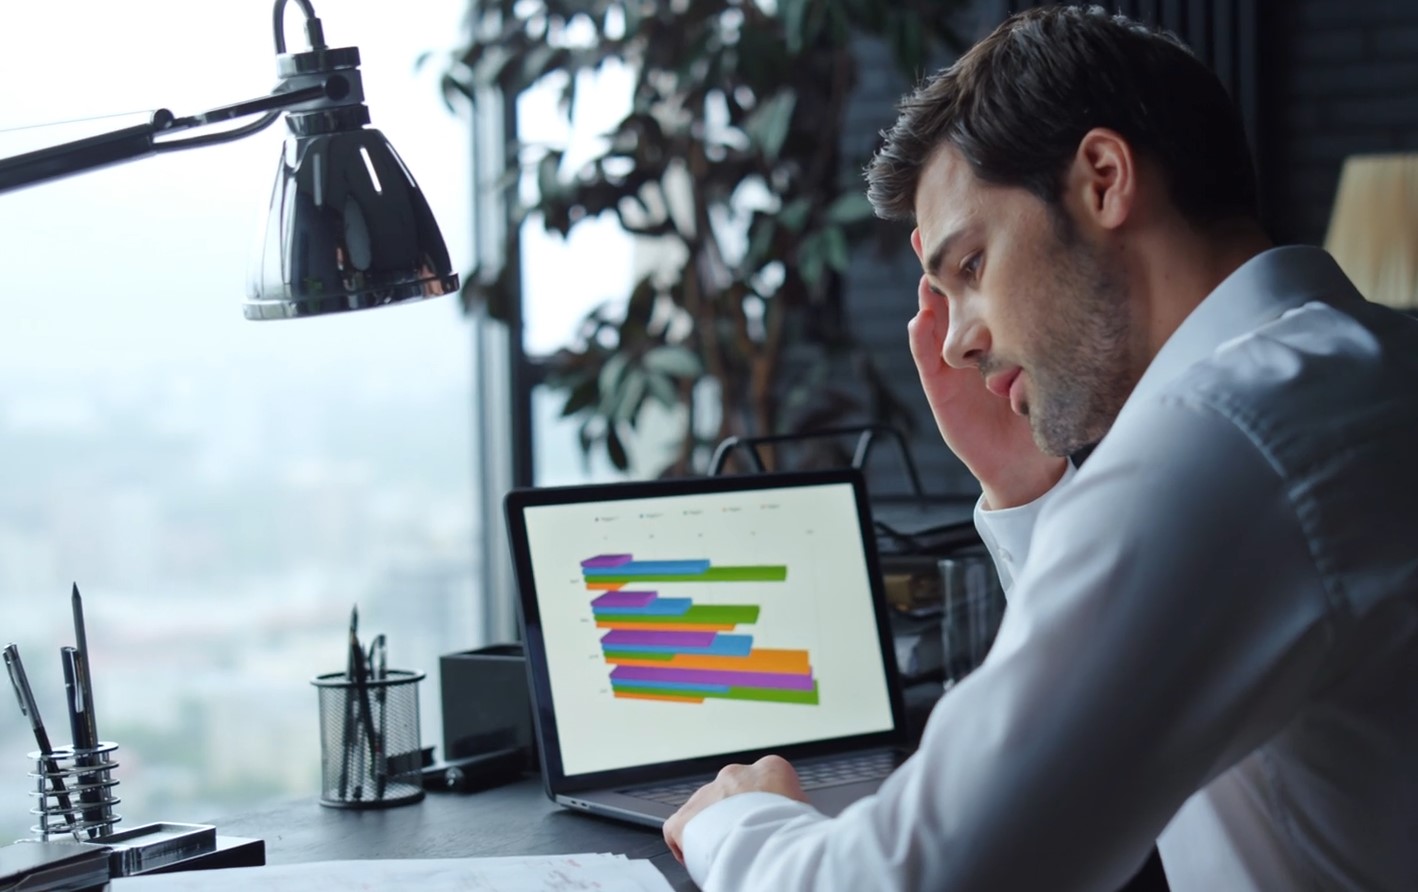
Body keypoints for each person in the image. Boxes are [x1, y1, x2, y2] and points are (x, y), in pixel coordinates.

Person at [661, 6, 1418, 891]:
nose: (953, 344)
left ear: (1102, 179)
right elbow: (1090, 745)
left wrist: (737, 822)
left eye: (972, 266)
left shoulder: (1229, 439)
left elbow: (918, 879)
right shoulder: (1354, 369)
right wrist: (1029, 489)